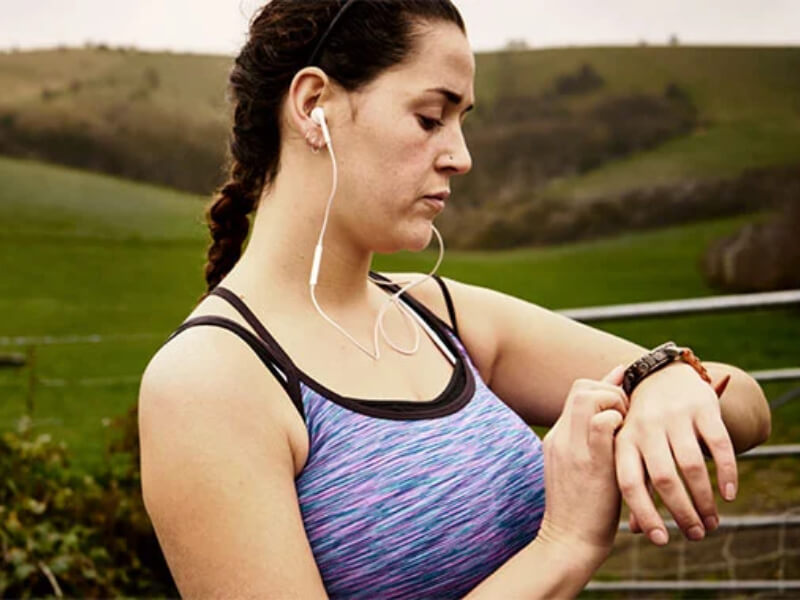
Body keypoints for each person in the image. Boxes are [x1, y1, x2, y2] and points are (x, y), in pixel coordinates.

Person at [137, 1, 771, 597]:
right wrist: (564, 546)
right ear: (313, 105)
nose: (461, 158)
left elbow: (745, 405)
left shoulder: (436, 314)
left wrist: (662, 378)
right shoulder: (208, 383)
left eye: (462, 122)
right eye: (429, 118)